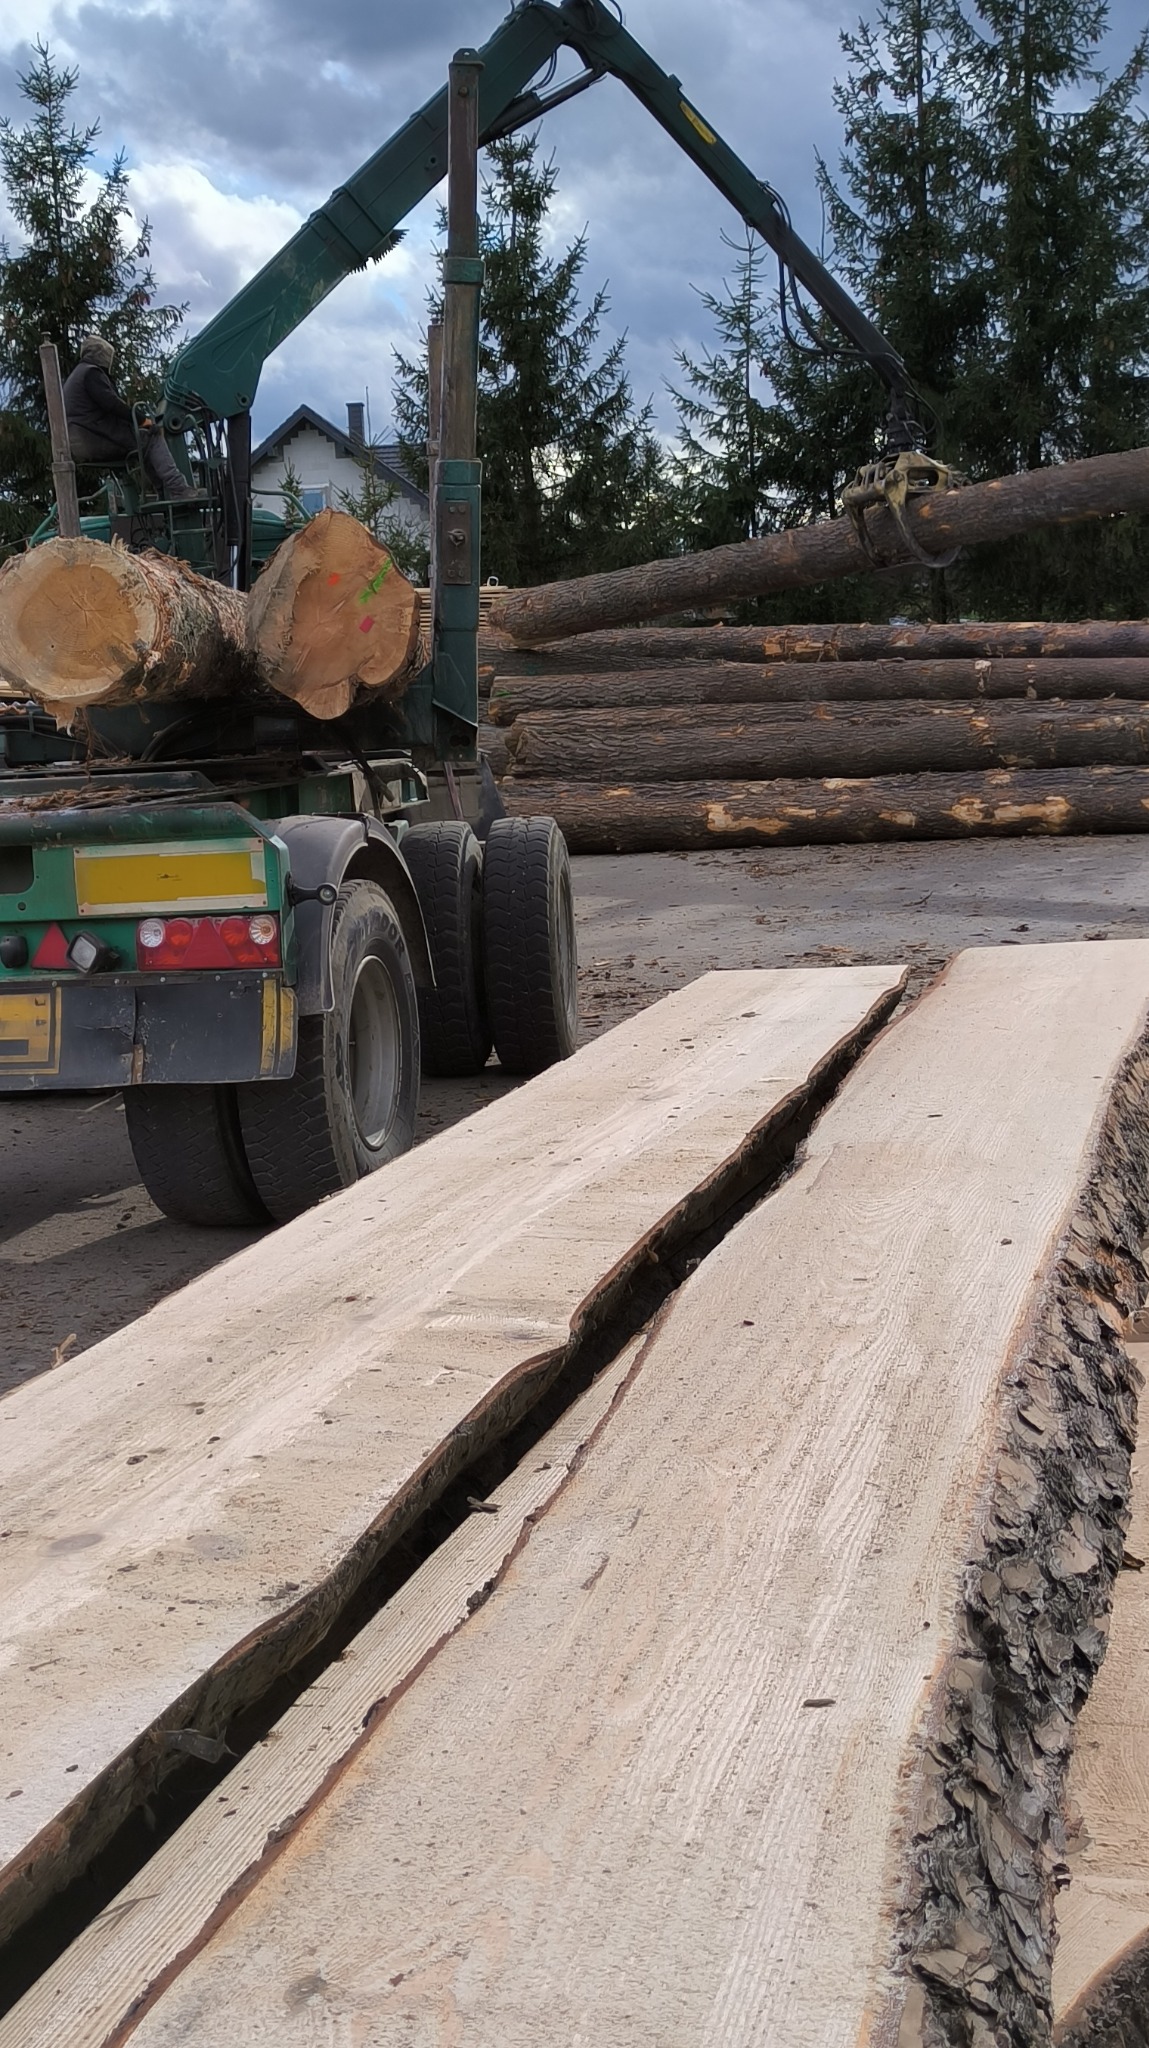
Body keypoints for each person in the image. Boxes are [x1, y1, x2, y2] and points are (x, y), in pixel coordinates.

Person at [62, 334, 202, 502]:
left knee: (142, 442)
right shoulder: (91, 373)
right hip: (96, 439)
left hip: (85, 441)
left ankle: (163, 493)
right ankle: (178, 489)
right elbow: (112, 404)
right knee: (151, 437)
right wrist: (143, 420)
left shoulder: (77, 374)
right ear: (102, 355)